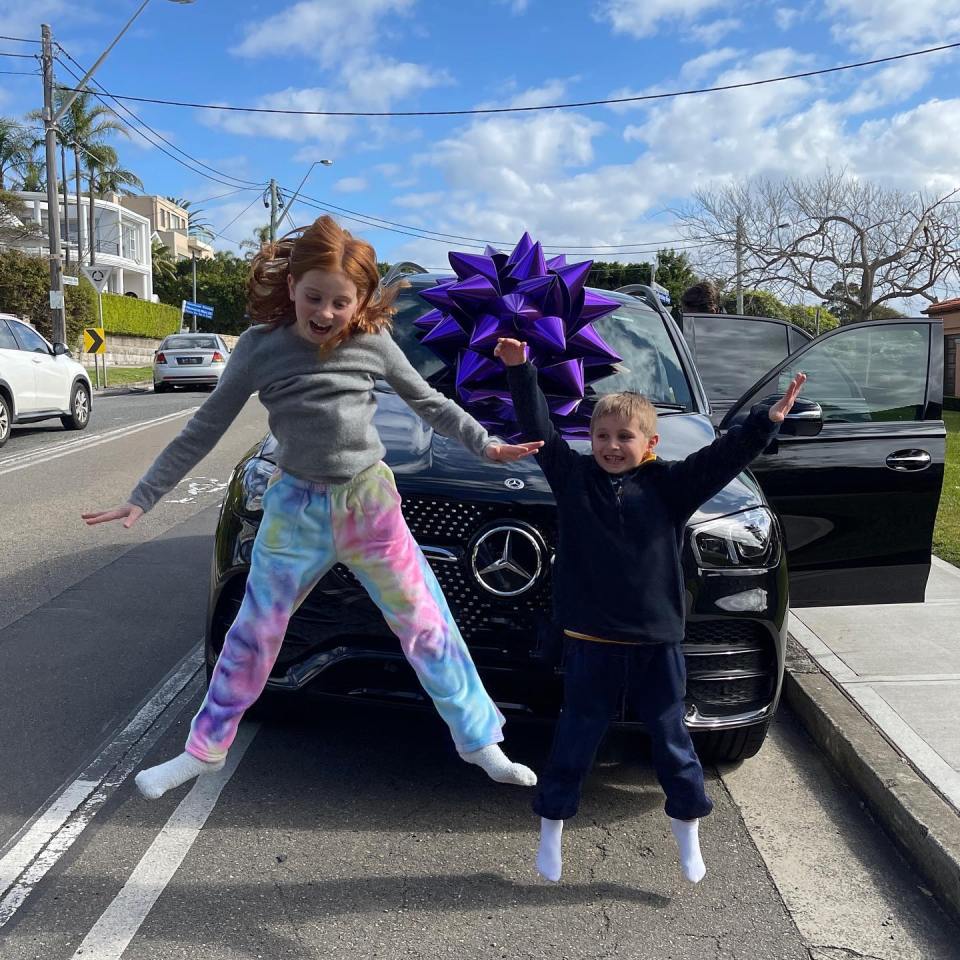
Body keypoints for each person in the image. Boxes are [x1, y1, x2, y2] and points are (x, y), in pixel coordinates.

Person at [83, 215, 545, 800]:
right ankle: (203, 751)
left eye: (340, 302)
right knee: (252, 632)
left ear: (360, 302)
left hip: (368, 502)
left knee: (425, 620)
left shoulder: (373, 343)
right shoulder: (259, 348)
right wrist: (143, 497)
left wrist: (487, 443)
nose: (325, 313)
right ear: (292, 287)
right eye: (313, 297)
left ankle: (480, 741)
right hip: (295, 506)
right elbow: (203, 427)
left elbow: (429, 403)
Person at [493, 335, 805, 884]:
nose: (612, 446)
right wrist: (521, 371)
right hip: (591, 641)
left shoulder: (669, 487)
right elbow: (539, 428)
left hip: (656, 643)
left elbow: (722, 456)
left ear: (650, 442)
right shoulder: (575, 481)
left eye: (624, 437)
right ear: (589, 440)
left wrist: (766, 422)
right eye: (601, 436)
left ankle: (688, 834)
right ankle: (550, 836)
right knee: (573, 741)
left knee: (672, 742)